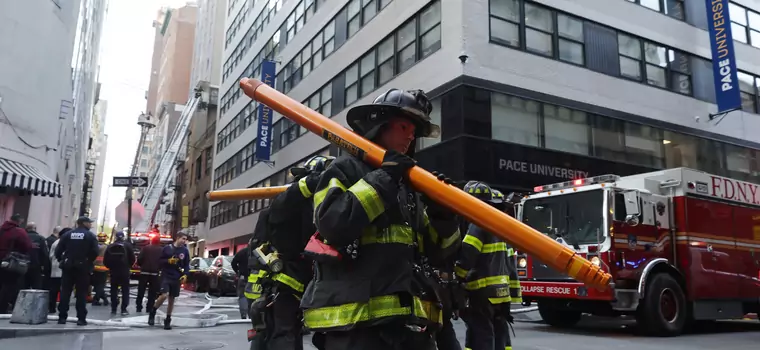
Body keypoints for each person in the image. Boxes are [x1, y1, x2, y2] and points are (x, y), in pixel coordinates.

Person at [302, 88, 461, 350]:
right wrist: (384, 178)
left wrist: (442, 214)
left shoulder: (408, 187)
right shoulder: (344, 169)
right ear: (379, 125)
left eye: (414, 132)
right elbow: (333, 223)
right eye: (403, 126)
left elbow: (438, 253)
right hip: (356, 329)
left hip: (406, 327)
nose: (411, 136)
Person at [245, 155, 333, 350]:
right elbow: (260, 246)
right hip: (283, 284)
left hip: (303, 284)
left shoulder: (317, 207)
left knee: (284, 332)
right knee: (282, 333)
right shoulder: (289, 203)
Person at [456, 182, 516, 350]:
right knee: (499, 336)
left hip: (482, 293)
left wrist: (458, 275)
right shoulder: (500, 226)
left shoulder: (478, 223)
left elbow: (468, 253)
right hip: (501, 293)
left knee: (482, 335)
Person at [55, 216, 99, 325]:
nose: (90, 225)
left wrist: (63, 260)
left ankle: (62, 317)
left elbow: (58, 251)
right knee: (81, 293)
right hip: (82, 268)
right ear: (83, 223)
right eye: (89, 223)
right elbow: (95, 251)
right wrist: (88, 261)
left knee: (65, 292)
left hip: (68, 267)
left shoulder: (67, 234)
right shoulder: (90, 236)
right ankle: (81, 318)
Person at [150, 232, 190, 329]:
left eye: (185, 239)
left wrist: (185, 274)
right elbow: (159, 261)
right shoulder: (167, 249)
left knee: (172, 300)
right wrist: (168, 261)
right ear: (177, 238)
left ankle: (167, 320)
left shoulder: (185, 251)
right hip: (166, 275)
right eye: (183, 239)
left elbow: (186, 265)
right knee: (164, 295)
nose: (184, 241)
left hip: (177, 277)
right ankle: (153, 311)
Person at [0, 213, 33, 314]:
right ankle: (2, 309)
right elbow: (27, 246)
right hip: (10, 262)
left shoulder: (1, 229)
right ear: (20, 221)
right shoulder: (19, 232)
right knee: (9, 285)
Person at [103, 231, 135, 316]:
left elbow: (105, 261)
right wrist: (128, 266)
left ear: (115, 237)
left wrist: (110, 267)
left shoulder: (110, 246)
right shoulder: (128, 246)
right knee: (125, 290)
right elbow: (133, 259)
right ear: (123, 237)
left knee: (113, 289)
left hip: (114, 271)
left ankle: (113, 308)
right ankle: (123, 309)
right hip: (124, 271)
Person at [136, 235, 163, 314]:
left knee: (141, 290)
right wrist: (159, 268)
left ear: (152, 241)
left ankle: (138, 307)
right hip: (155, 273)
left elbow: (139, 259)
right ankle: (149, 307)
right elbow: (162, 261)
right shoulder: (161, 250)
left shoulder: (145, 248)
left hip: (144, 272)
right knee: (152, 292)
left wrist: (141, 265)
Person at [47, 228, 69, 313]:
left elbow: (50, 256)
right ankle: (60, 307)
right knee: (62, 290)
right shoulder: (64, 243)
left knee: (54, 290)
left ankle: (51, 307)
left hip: (55, 269)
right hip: (62, 269)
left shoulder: (55, 242)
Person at [24, 222, 50, 290]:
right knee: (36, 287)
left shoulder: (22, 236)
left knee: (23, 286)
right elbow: (45, 254)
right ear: (35, 229)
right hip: (36, 266)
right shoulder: (41, 238)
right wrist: (45, 267)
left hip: (22, 265)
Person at [231, 244, 250, 319]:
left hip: (243, 277)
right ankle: (252, 315)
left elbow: (233, 263)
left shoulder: (241, 252)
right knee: (254, 297)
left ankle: (243, 315)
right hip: (256, 278)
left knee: (242, 296)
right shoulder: (258, 253)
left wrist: (238, 272)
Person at [91, 232, 109, 306]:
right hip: (104, 269)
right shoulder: (107, 247)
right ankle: (96, 300)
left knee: (97, 285)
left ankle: (104, 299)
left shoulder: (94, 246)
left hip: (94, 268)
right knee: (100, 285)